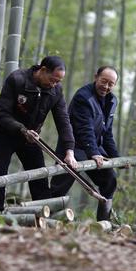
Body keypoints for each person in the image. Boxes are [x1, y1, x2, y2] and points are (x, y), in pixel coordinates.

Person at [0, 56, 77, 215]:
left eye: (58, 82)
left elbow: (63, 120)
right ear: (42, 70)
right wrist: (22, 130)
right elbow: (1, 113)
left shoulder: (56, 90)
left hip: (31, 138)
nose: (54, 84)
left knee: (40, 176)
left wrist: (70, 150)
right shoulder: (17, 79)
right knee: (0, 174)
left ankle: (44, 215)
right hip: (5, 134)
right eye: (52, 80)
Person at [51, 66, 120, 221]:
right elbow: (84, 129)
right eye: (103, 81)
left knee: (109, 179)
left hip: (95, 147)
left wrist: (116, 157)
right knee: (59, 187)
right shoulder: (83, 97)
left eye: (111, 84)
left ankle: (104, 223)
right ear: (96, 77)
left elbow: (107, 132)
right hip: (73, 147)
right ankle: (47, 220)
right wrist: (94, 153)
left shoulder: (112, 100)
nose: (106, 86)